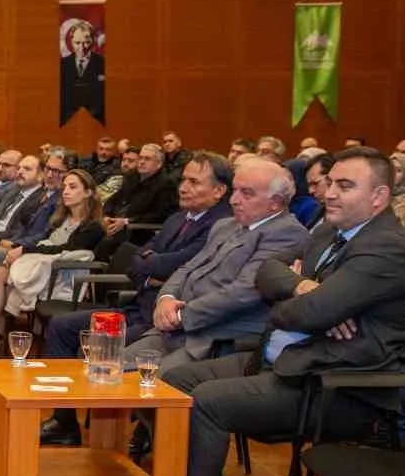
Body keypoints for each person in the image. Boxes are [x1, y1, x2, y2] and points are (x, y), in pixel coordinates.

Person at [112, 148, 405, 476]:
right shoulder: (328, 233)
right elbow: (271, 275)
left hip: (331, 384)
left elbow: (301, 308)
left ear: (380, 197)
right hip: (281, 359)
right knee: (168, 384)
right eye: (330, 182)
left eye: (345, 186)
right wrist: (301, 287)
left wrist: (301, 298)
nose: (330, 193)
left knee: (205, 402)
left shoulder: (388, 249)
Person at [39, 152, 234, 446]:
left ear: (219, 190)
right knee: (60, 327)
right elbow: (135, 258)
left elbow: (177, 264)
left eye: (194, 182)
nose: (184, 187)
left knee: (100, 352)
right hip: (135, 305)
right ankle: (65, 423)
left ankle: (138, 432)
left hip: (162, 322)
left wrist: (151, 266)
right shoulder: (177, 218)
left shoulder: (221, 225)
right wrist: (150, 270)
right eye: (183, 180)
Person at [124, 156, 308, 375]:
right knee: (107, 368)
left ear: (275, 203)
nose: (233, 200)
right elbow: (187, 268)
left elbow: (245, 291)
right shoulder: (226, 225)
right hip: (173, 330)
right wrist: (166, 299)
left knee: (153, 387)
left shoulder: (288, 233)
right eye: (235, 190)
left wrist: (182, 316)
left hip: (216, 339)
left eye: (246, 193)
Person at [0, 168, 105, 351]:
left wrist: (25, 250)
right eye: (64, 187)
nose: (66, 191)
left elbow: (66, 250)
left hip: (61, 275)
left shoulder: (93, 226)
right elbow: (42, 241)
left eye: (73, 187)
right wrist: (19, 249)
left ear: (88, 192)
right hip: (42, 266)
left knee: (3, 279)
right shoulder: (61, 218)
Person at [59, 18, 105, 121]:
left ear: (93, 41)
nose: (81, 47)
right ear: (71, 41)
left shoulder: (103, 64)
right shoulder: (62, 65)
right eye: (77, 43)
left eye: (86, 42)